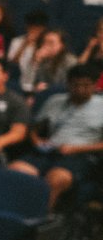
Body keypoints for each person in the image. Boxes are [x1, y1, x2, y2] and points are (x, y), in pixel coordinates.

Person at [9, 65, 103, 210]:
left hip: (81, 155)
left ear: (95, 85)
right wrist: (36, 140)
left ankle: (37, 225)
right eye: (75, 85)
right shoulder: (55, 100)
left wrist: (75, 149)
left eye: (86, 86)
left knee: (55, 179)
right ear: (68, 84)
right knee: (15, 170)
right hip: (49, 150)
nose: (80, 90)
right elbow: (34, 127)